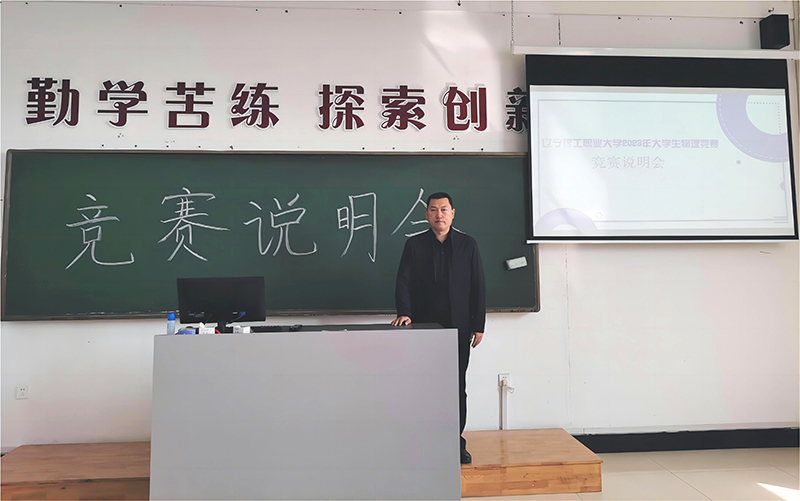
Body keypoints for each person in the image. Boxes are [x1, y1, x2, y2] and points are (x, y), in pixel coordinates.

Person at [391, 192, 486, 464]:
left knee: (456, 385)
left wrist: (478, 324)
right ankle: (426, 439)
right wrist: (405, 313)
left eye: (444, 209)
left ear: (453, 213)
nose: (439, 214)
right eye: (433, 210)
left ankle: (455, 441)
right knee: (425, 385)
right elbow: (403, 282)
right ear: (426, 214)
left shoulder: (468, 245)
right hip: (424, 328)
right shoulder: (414, 245)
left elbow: (478, 285)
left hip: (459, 328)